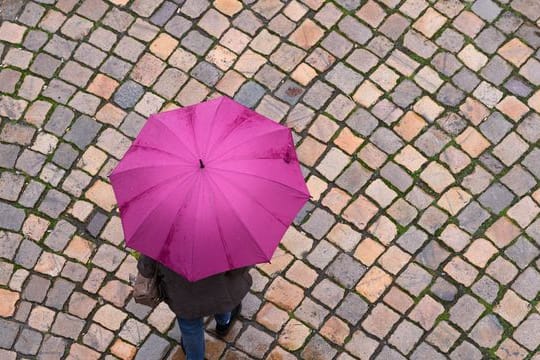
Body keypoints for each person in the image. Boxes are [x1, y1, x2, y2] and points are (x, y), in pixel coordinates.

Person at [137, 254, 253, 360]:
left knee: (190, 330)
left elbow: (146, 269)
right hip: (219, 291)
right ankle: (223, 325)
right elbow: (240, 268)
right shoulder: (226, 235)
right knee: (223, 306)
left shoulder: (162, 236)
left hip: (184, 300)